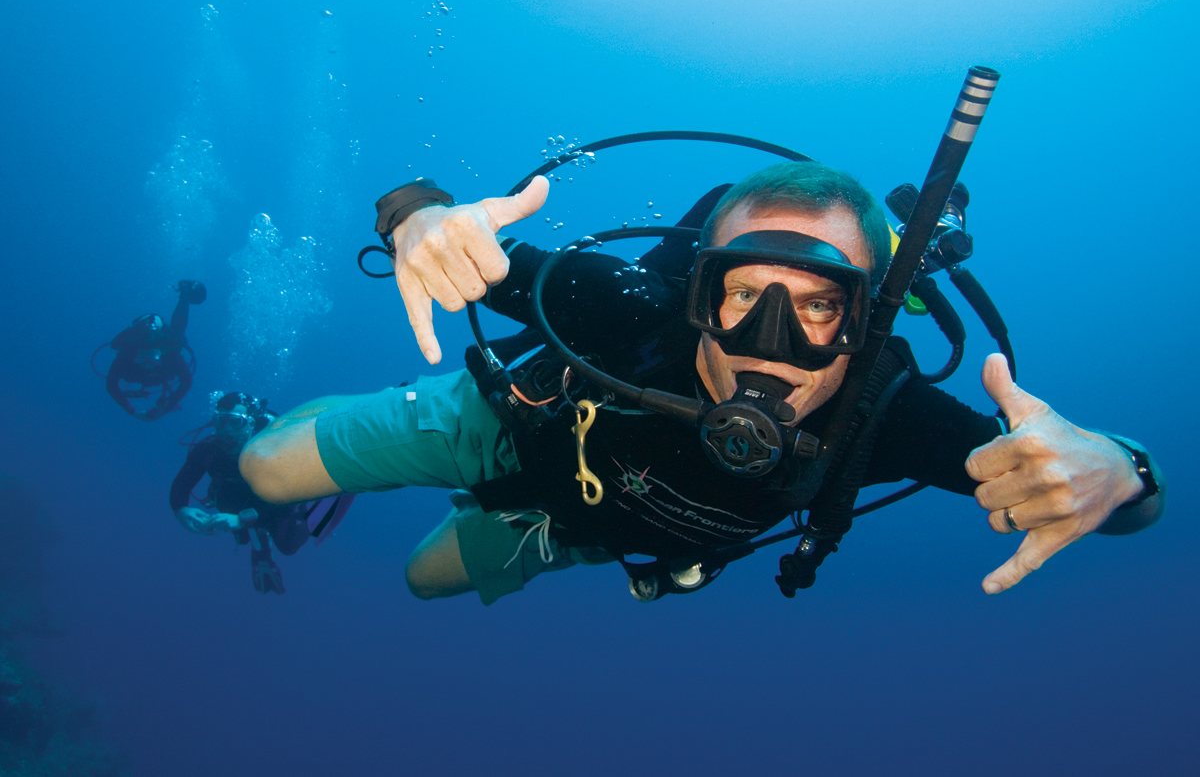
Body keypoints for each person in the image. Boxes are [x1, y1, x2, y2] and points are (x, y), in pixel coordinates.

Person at [239, 162, 1165, 605]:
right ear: (695, 292)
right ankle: (350, 416)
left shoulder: (885, 415)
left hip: (576, 529)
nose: (771, 347)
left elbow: (1104, 493)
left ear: (867, 319)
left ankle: (525, 531)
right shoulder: (632, 302)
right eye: (742, 296)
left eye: (817, 307)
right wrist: (420, 215)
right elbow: (450, 236)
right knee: (262, 470)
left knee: (421, 579)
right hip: (496, 423)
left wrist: (1119, 470)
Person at [171, 392, 316, 595]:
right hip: (240, 498)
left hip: (282, 499)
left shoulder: (273, 449)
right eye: (221, 421)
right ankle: (259, 542)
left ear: (251, 424)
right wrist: (181, 509)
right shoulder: (208, 448)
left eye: (236, 422)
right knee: (240, 535)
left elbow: (286, 498)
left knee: (288, 545)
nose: (227, 430)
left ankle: (317, 514)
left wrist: (241, 519)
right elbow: (182, 484)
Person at [106, 280, 206, 421]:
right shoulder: (127, 354)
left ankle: (185, 295)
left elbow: (186, 382)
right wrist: (131, 411)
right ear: (135, 356)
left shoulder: (170, 354)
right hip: (154, 343)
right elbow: (110, 384)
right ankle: (185, 295)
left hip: (167, 343)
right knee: (176, 334)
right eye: (142, 358)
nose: (147, 364)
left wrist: (164, 410)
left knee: (177, 335)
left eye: (152, 359)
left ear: (161, 355)